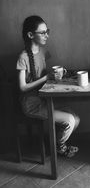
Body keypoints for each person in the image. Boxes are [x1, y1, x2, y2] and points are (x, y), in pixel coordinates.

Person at [16, 15, 80, 157]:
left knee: (76, 118)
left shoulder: (43, 52)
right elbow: (22, 87)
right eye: (43, 32)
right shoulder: (23, 57)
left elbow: (45, 74)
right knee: (69, 120)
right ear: (30, 35)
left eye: (47, 31)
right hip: (31, 104)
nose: (47, 36)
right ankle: (59, 147)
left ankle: (56, 143)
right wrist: (46, 77)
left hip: (44, 99)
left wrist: (58, 74)